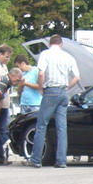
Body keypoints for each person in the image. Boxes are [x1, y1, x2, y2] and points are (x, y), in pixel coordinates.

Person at [28, 35, 80, 168]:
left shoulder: (45, 54)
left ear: (49, 44)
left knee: (41, 125)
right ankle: (61, 160)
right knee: (61, 128)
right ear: (61, 44)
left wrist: (40, 88)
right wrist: (67, 87)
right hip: (63, 93)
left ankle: (36, 159)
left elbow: (41, 73)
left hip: (50, 91)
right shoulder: (68, 57)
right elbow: (77, 77)